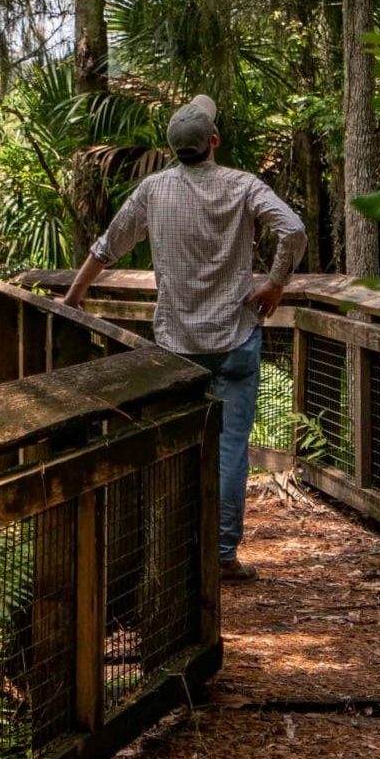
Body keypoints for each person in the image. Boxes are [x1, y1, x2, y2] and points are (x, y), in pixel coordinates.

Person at [60, 94, 306, 580]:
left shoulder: (153, 190)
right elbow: (292, 229)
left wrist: (70, 303)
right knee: (231, 445)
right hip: (235, 339)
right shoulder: (242, 185)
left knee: (174, 446)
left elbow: (105, 249)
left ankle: (171, 554)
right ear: (213, 140)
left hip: (175, 346)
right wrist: (276, 282)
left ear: (175, 148)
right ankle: (221, 553)